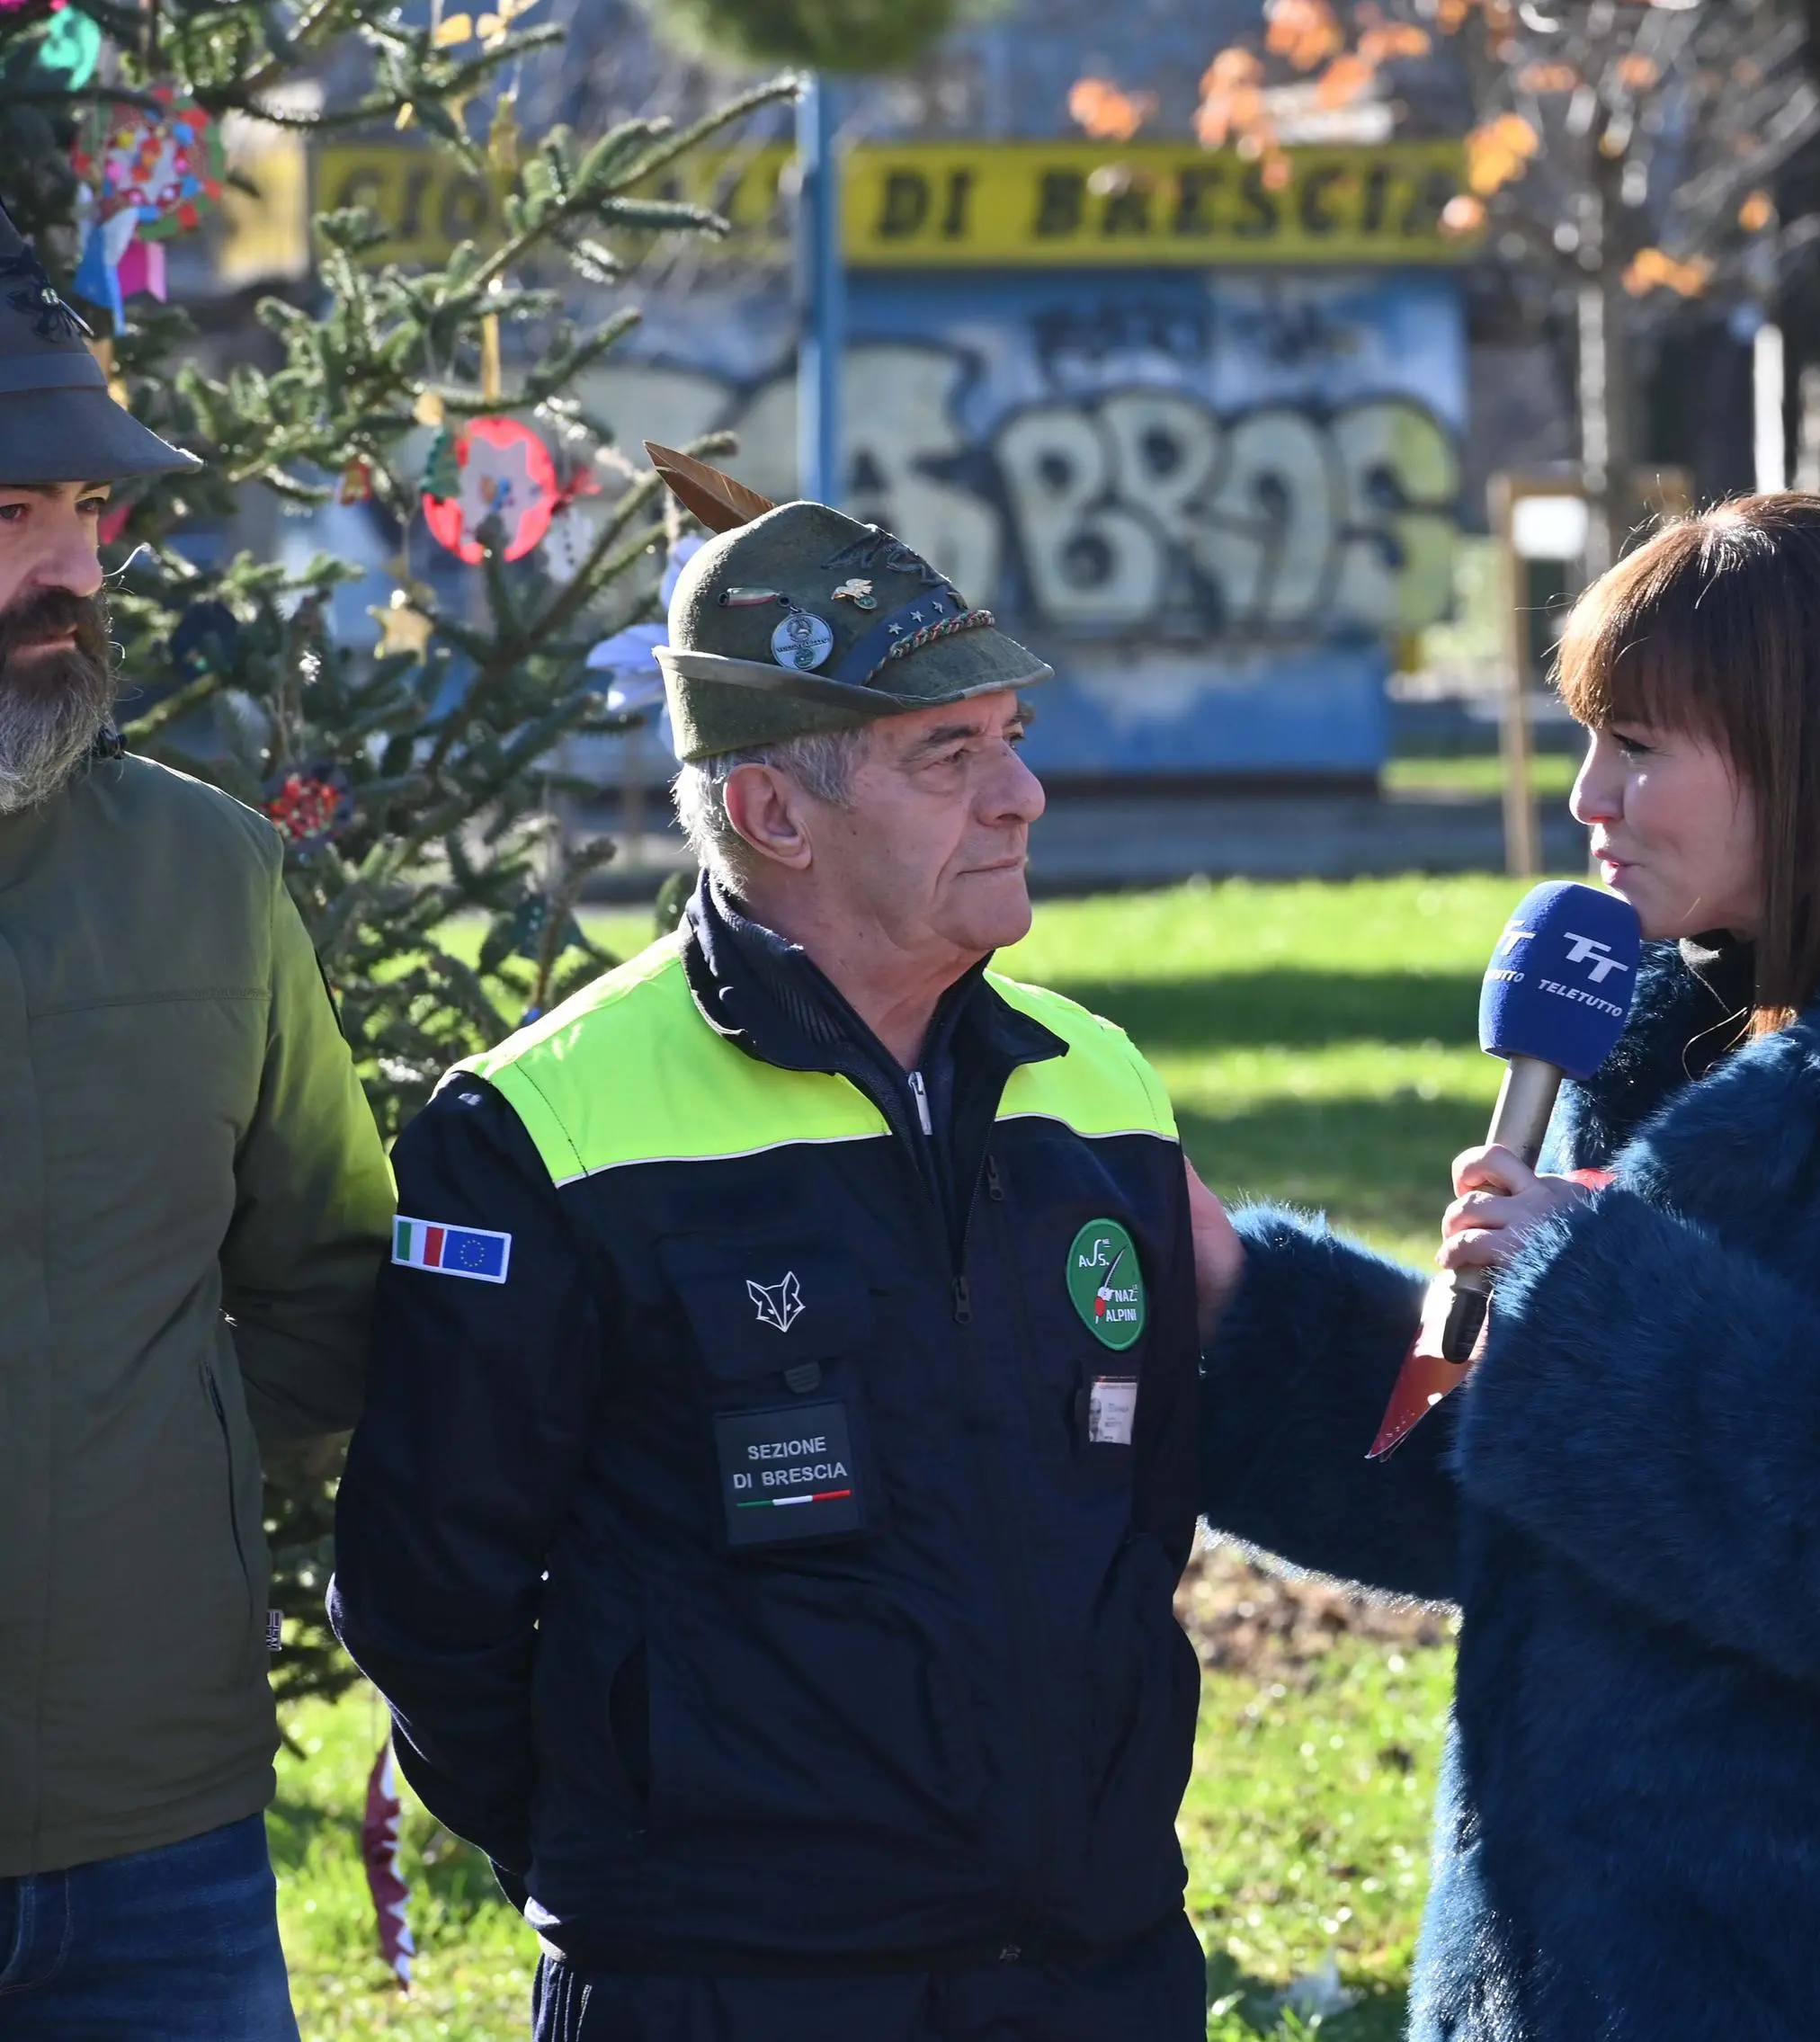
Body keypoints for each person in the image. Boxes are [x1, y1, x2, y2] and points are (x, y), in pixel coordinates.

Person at [1191, 493, 1820, 2042]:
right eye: (1589, 736)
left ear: (1812, 759)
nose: (1588, 795)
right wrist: (1243, 1317)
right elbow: (1538, 1488)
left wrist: (1584, 1298)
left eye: (1642, 745)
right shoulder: (1658, 1042)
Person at [331, 466, 1211, 2041]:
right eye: (947, 756)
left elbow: (1141, 1519)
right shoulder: (540, 1127)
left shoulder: (1104, 1090)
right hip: (724, 1989)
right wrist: (649, 1869)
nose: (1021, 798)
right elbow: (426, 1595)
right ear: (768, 809)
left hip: (1095, 1967)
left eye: (1009, 742)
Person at [0, 204, 395, 2037]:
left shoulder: (211, 879)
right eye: (12, 515)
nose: (72, 569)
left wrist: (193, 1485)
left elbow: (330, 1277)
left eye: (94, 516)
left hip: (155, 1837)